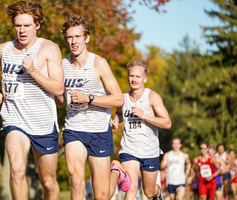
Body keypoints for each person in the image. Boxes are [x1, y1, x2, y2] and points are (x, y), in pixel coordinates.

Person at [0, 1, 64, 199]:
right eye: (17, 25)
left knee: (48, 182)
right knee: (17, 169)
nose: (21, 30)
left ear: (37, 25)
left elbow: (58, 88)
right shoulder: (3, 49)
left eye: (27, 25)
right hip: (15, 119)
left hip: (43, 122)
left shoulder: (49, 49)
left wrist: (33, 71)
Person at [55, 15, 124, 200]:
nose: (73, 41)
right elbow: (61, 102)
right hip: (73, 129)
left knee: (101, 195)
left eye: (77, 36)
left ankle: (116, 172)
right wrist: (56, 94)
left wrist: (89, 98)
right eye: (69, 37)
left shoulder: (99, 63)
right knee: (76, 181)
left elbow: (118, 99)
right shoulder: (62, 65)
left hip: (99, 131)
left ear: (87, 38)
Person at [111, 59, 172, 200]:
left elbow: (167, 122)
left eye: (137, 77)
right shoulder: (123, 98)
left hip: (149, 151)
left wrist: (144, 115)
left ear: (145, 79)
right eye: (131, 76)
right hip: (129, 149)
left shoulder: (152, 97)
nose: (134, 79)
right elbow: (119, 113)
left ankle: (158, 194)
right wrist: (116, 120)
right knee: (131, 187)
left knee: (149, 192)